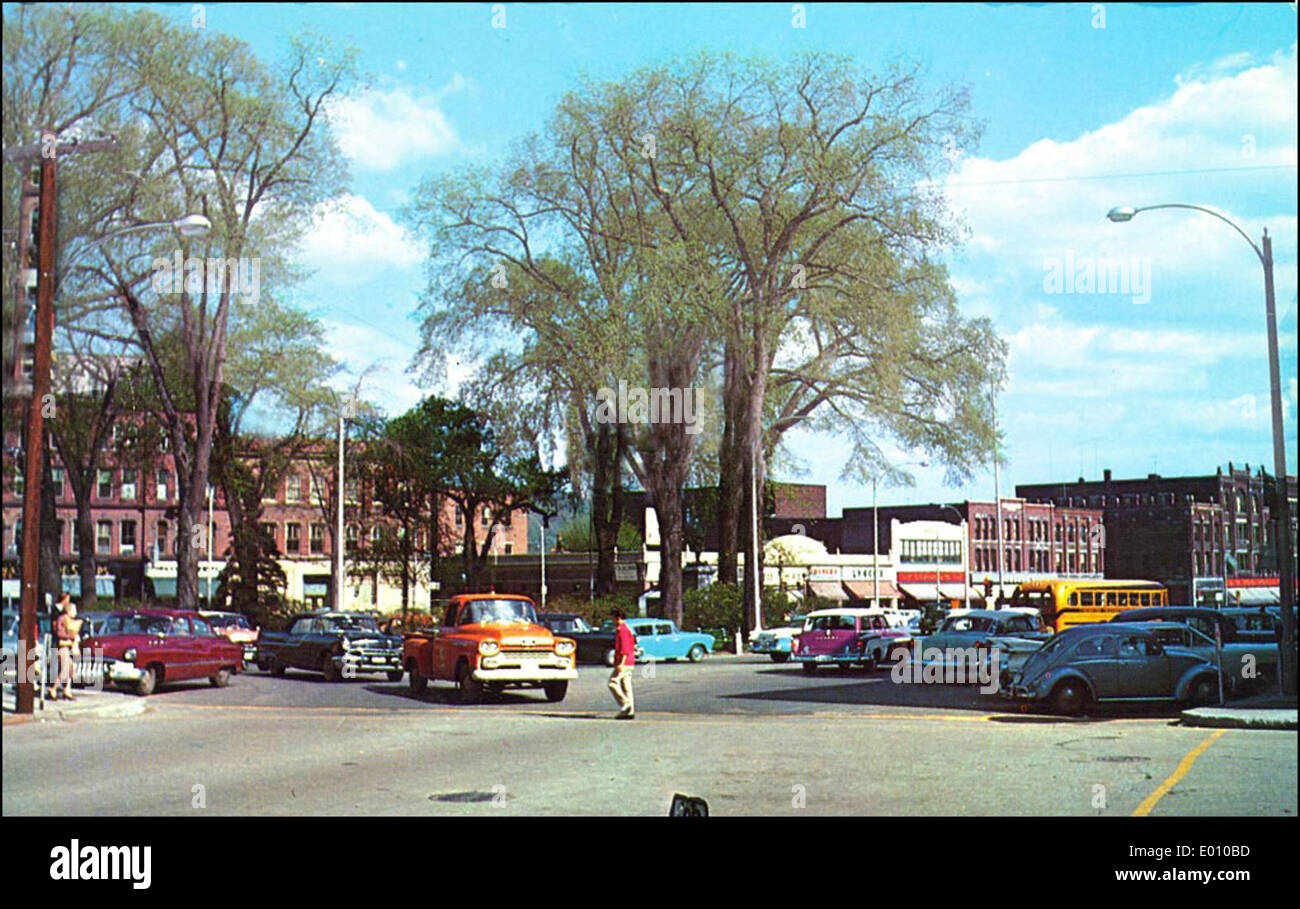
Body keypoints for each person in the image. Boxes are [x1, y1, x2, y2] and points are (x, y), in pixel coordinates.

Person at [51, 595, 83, 701]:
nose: (76, 612)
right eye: (74, 610)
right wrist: (71, 635)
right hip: (63, 646)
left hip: (69, 646)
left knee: (70, 669)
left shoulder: (71, 620)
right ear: (68, 610)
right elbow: (59, 632)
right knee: (64, 669)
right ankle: (53, 688)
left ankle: (66, 690)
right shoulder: (62, 619)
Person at [607, 608, 636, 719]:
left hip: (624, 662)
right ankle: (630, 711)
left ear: (617, 618)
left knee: (612, 683)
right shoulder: (627, 629)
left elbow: (624, 648)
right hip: (630, 662)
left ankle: (625, 704)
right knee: (626, 686)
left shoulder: (622, 630)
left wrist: (621, 663)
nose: (612, 620)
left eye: (613, 618)